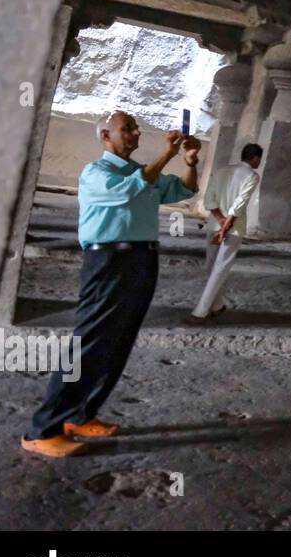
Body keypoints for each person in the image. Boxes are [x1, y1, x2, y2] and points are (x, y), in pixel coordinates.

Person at [22, 110, 200, 458]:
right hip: (108, 262)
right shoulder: (96, 173)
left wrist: (190, 161)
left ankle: (80, 414)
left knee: (118, 341)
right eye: (127, 129)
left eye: (135, 128)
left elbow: (184, 189)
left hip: (141, 259)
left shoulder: (140, 172)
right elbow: (133, 190)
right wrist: (167, 155)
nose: (135, 133)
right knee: (88, 342)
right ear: (106, 136)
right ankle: (41, 430)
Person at [187, 143, 262, 323]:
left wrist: (220, 221)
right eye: (259, 158)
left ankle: (217, 306)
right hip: (234, 228)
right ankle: (200, 312)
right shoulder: (252, 176)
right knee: (220, 269)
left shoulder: (222, 171)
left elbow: (209, 200)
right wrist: (226, 225)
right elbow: (239, 204)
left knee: (211, 266)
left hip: (214, 223)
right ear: (255, 158)